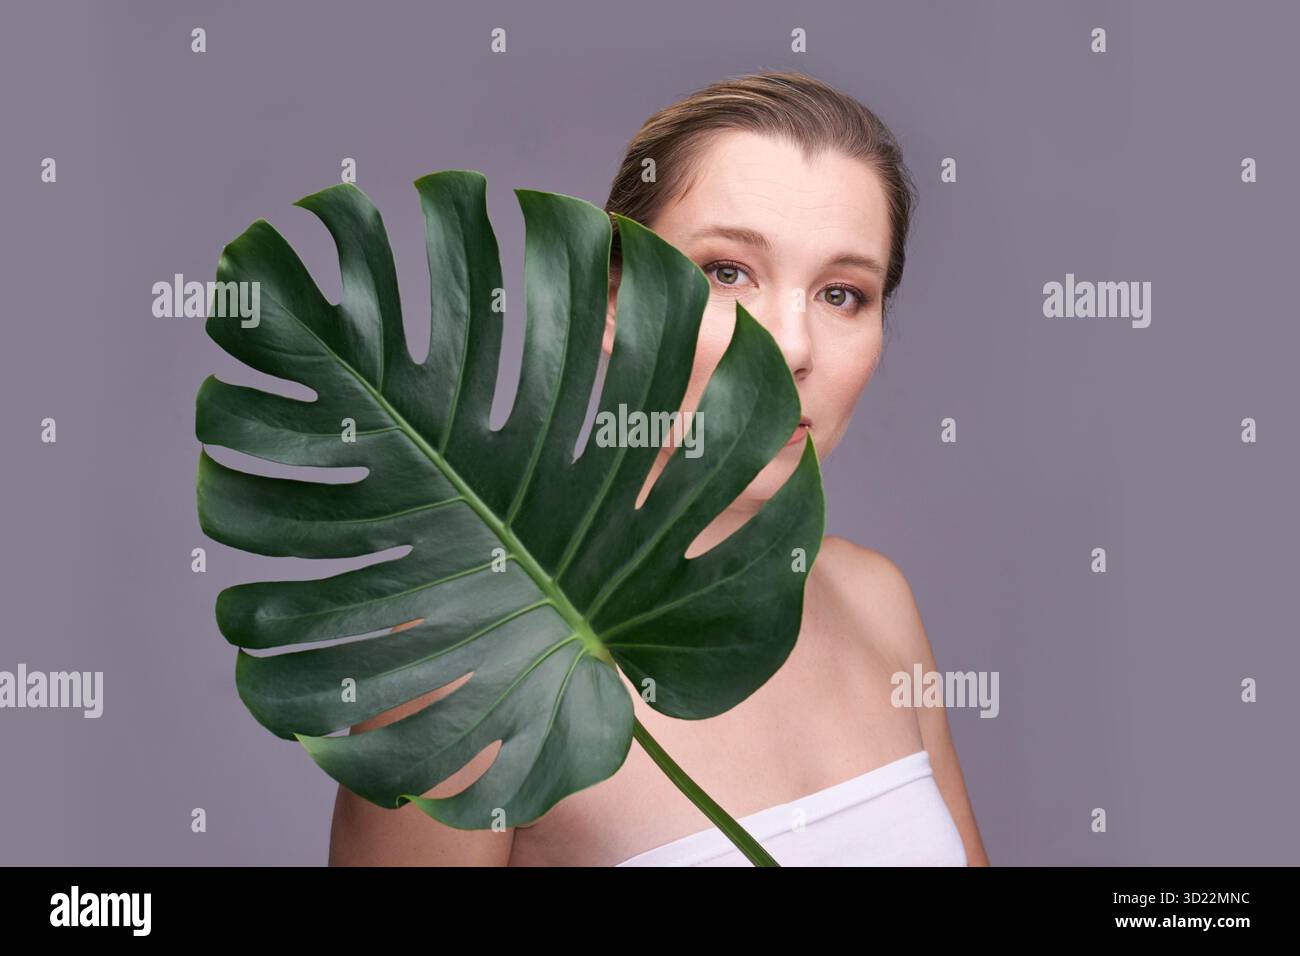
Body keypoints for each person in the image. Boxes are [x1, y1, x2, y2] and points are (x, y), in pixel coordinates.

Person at [327, 70, 989, 866]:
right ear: (613, 300)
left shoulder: (876, 602)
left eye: (842, 294)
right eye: (727, 273)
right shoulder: (470, 667)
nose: (792, 347)